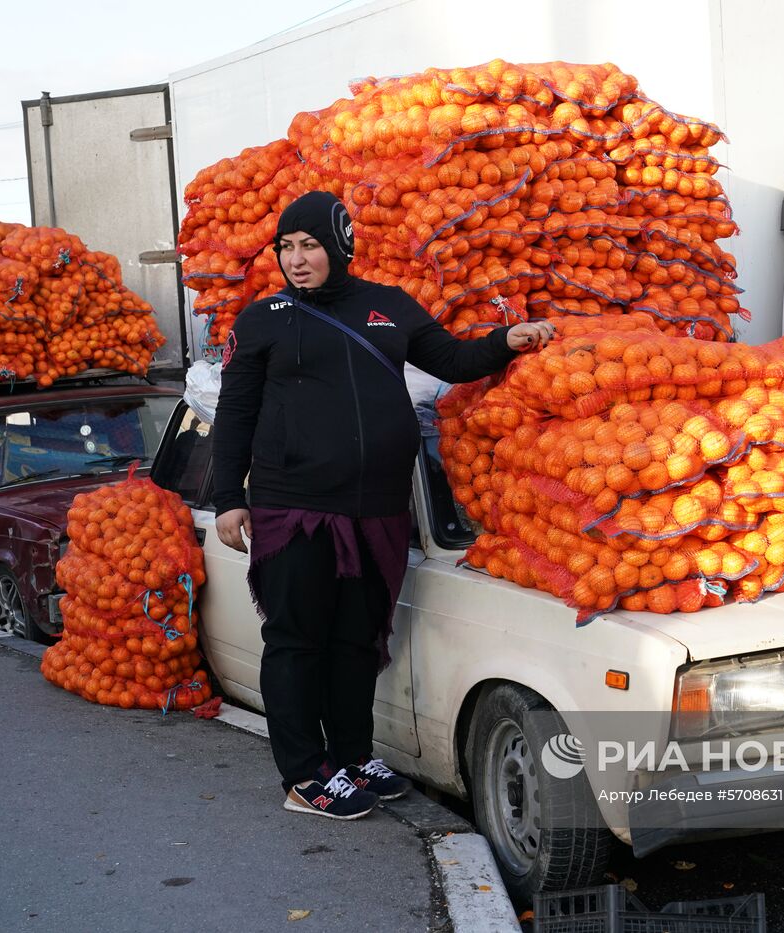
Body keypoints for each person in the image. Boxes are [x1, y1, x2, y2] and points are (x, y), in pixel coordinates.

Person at [212, 191, 554, 820]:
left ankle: (350, 757)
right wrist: (230, 498)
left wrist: (509, 339)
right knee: (296, 641)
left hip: (376, 509)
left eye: (309, 244)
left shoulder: (387, 307)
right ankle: (303, 775)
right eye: (286, 247)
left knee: (356, 640)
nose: (296, 258)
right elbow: (235, 414)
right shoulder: (262, 320)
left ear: (340, 245)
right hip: (295, 508)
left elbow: (452, 359)